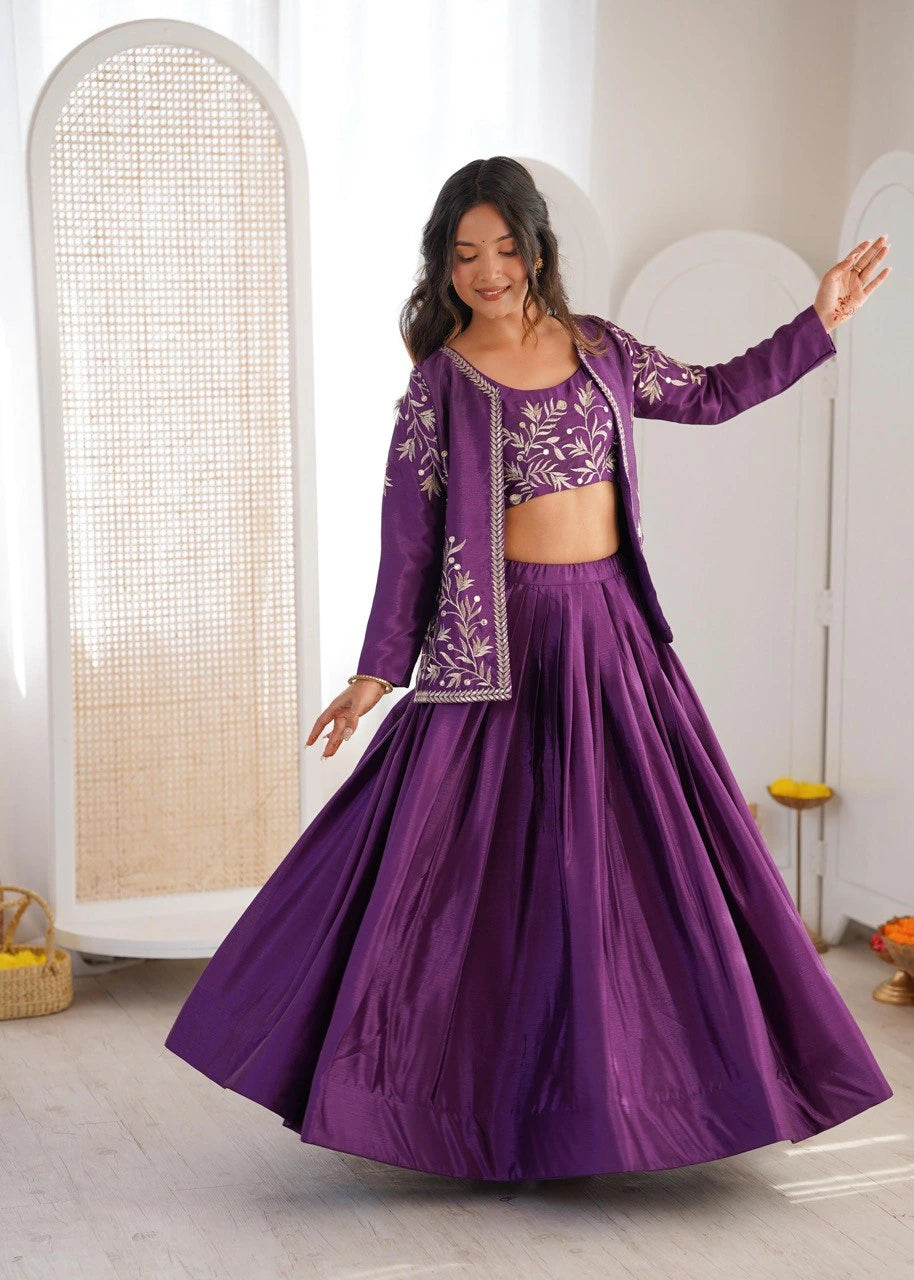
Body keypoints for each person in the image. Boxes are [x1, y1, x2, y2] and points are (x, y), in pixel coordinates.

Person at [165, 157, 893, 1182]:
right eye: (464, 255)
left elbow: (717, 393)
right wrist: (374, 676)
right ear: (444, 267)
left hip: (609, 634)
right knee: (465, 879)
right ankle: (462, 1106)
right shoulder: (440, 384)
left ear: (536, 246)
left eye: (503, 247)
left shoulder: (599, 349)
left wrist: (816, 322)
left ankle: (645, 1101)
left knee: (637, 871)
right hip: (495, 648)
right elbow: (408, 541)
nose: (487, 269)